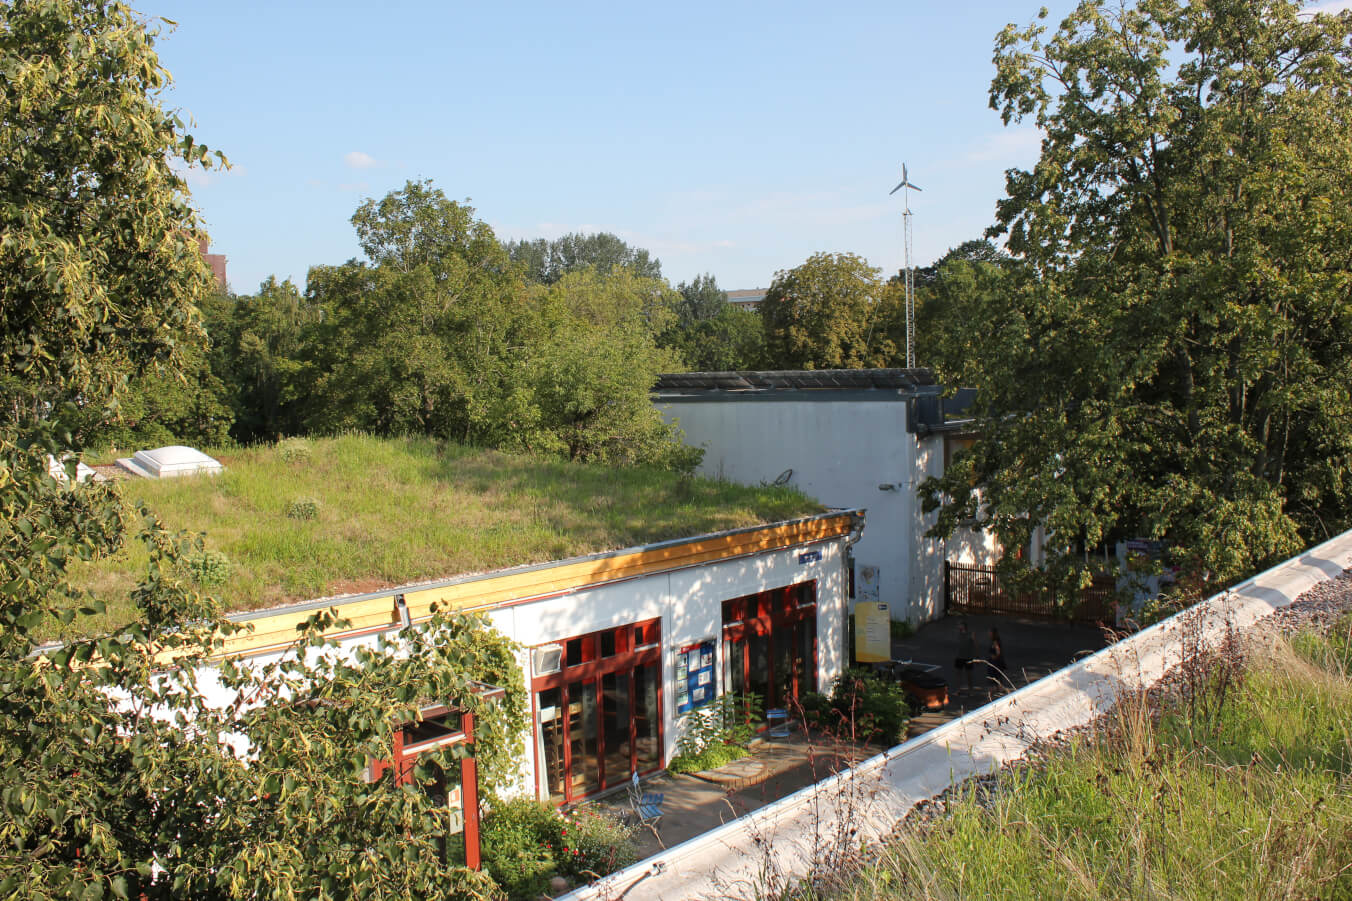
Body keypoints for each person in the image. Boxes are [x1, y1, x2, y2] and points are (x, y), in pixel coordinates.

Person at [954, 620, 976, 690]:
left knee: (969, 675)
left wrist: (976, 654)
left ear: (963, 626)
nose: (958, 626)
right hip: (959, 657)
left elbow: (975, 644)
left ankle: (970, 689)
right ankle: (958, 689)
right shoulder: (958, 634)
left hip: (968, 657)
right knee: (958, 674)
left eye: (959, 625)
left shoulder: (970, 634)